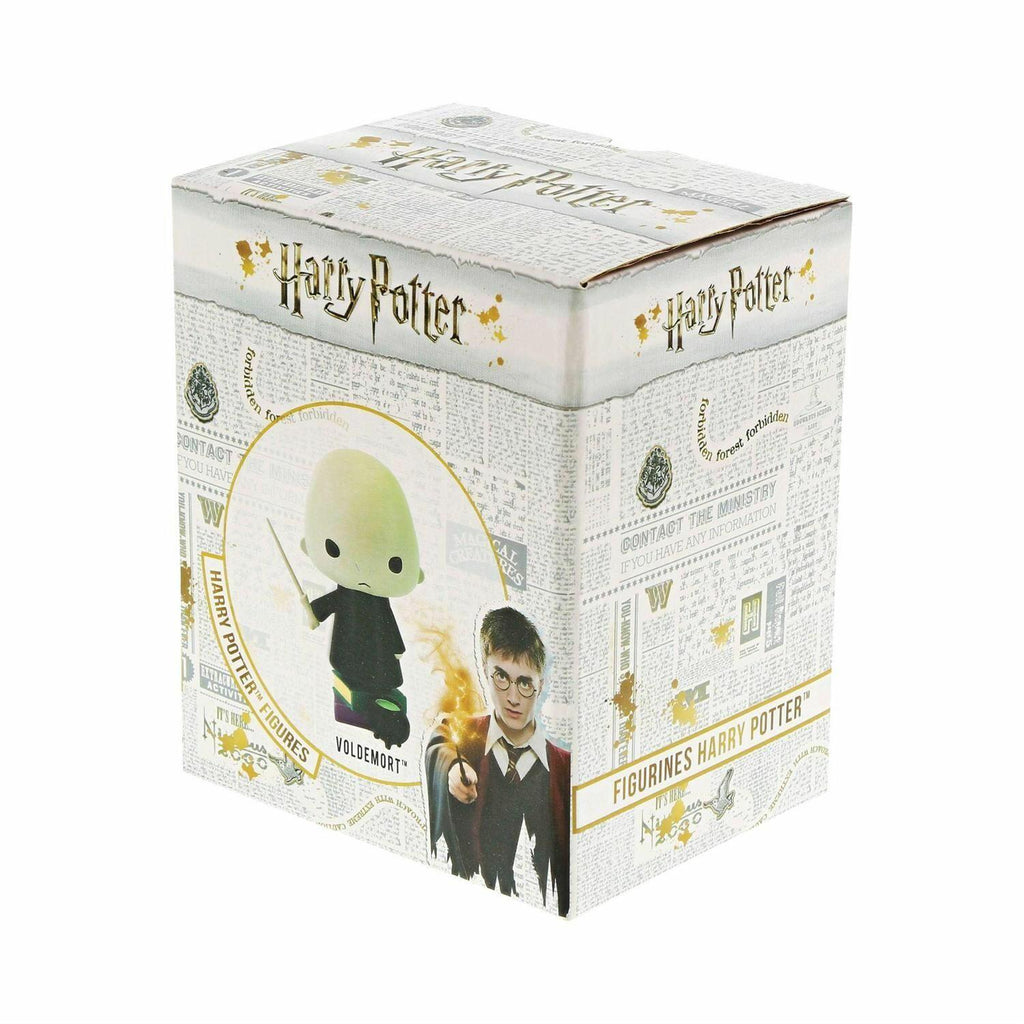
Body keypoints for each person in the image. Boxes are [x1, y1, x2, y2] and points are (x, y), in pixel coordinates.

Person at [425, 607, 570, 916]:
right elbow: (441, 742)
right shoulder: (464, 737)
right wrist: (451, 770)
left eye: (525, 682)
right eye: (501, 677)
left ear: (541, 685)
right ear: (484, 671)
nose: (513, 697)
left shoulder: (564, 768)